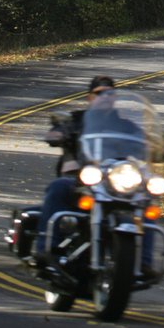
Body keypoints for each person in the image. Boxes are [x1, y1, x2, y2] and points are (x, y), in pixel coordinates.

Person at [26, 75, 117, 259]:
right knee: (59, 187)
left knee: (143, 203)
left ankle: (143, 261)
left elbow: (146, 142)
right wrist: (59, 134)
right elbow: (57, 131)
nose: (105, 97)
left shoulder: (125, 125)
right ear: (89, 97)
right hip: (79, 180)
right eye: (100, 93)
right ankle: (47, 248)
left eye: (110, 93)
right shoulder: (76, 120)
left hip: (113, 184)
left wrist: (161, 146)